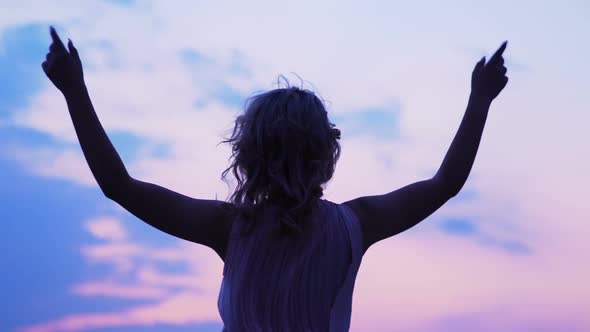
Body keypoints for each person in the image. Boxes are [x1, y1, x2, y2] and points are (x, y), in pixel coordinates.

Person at [42, 25, 508, 331]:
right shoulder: (355, 224)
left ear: (249, 154)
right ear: (326, 153)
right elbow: (445, 182)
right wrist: (480, 100)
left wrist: (74, 91)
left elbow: (118, 185)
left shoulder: (230, 227)